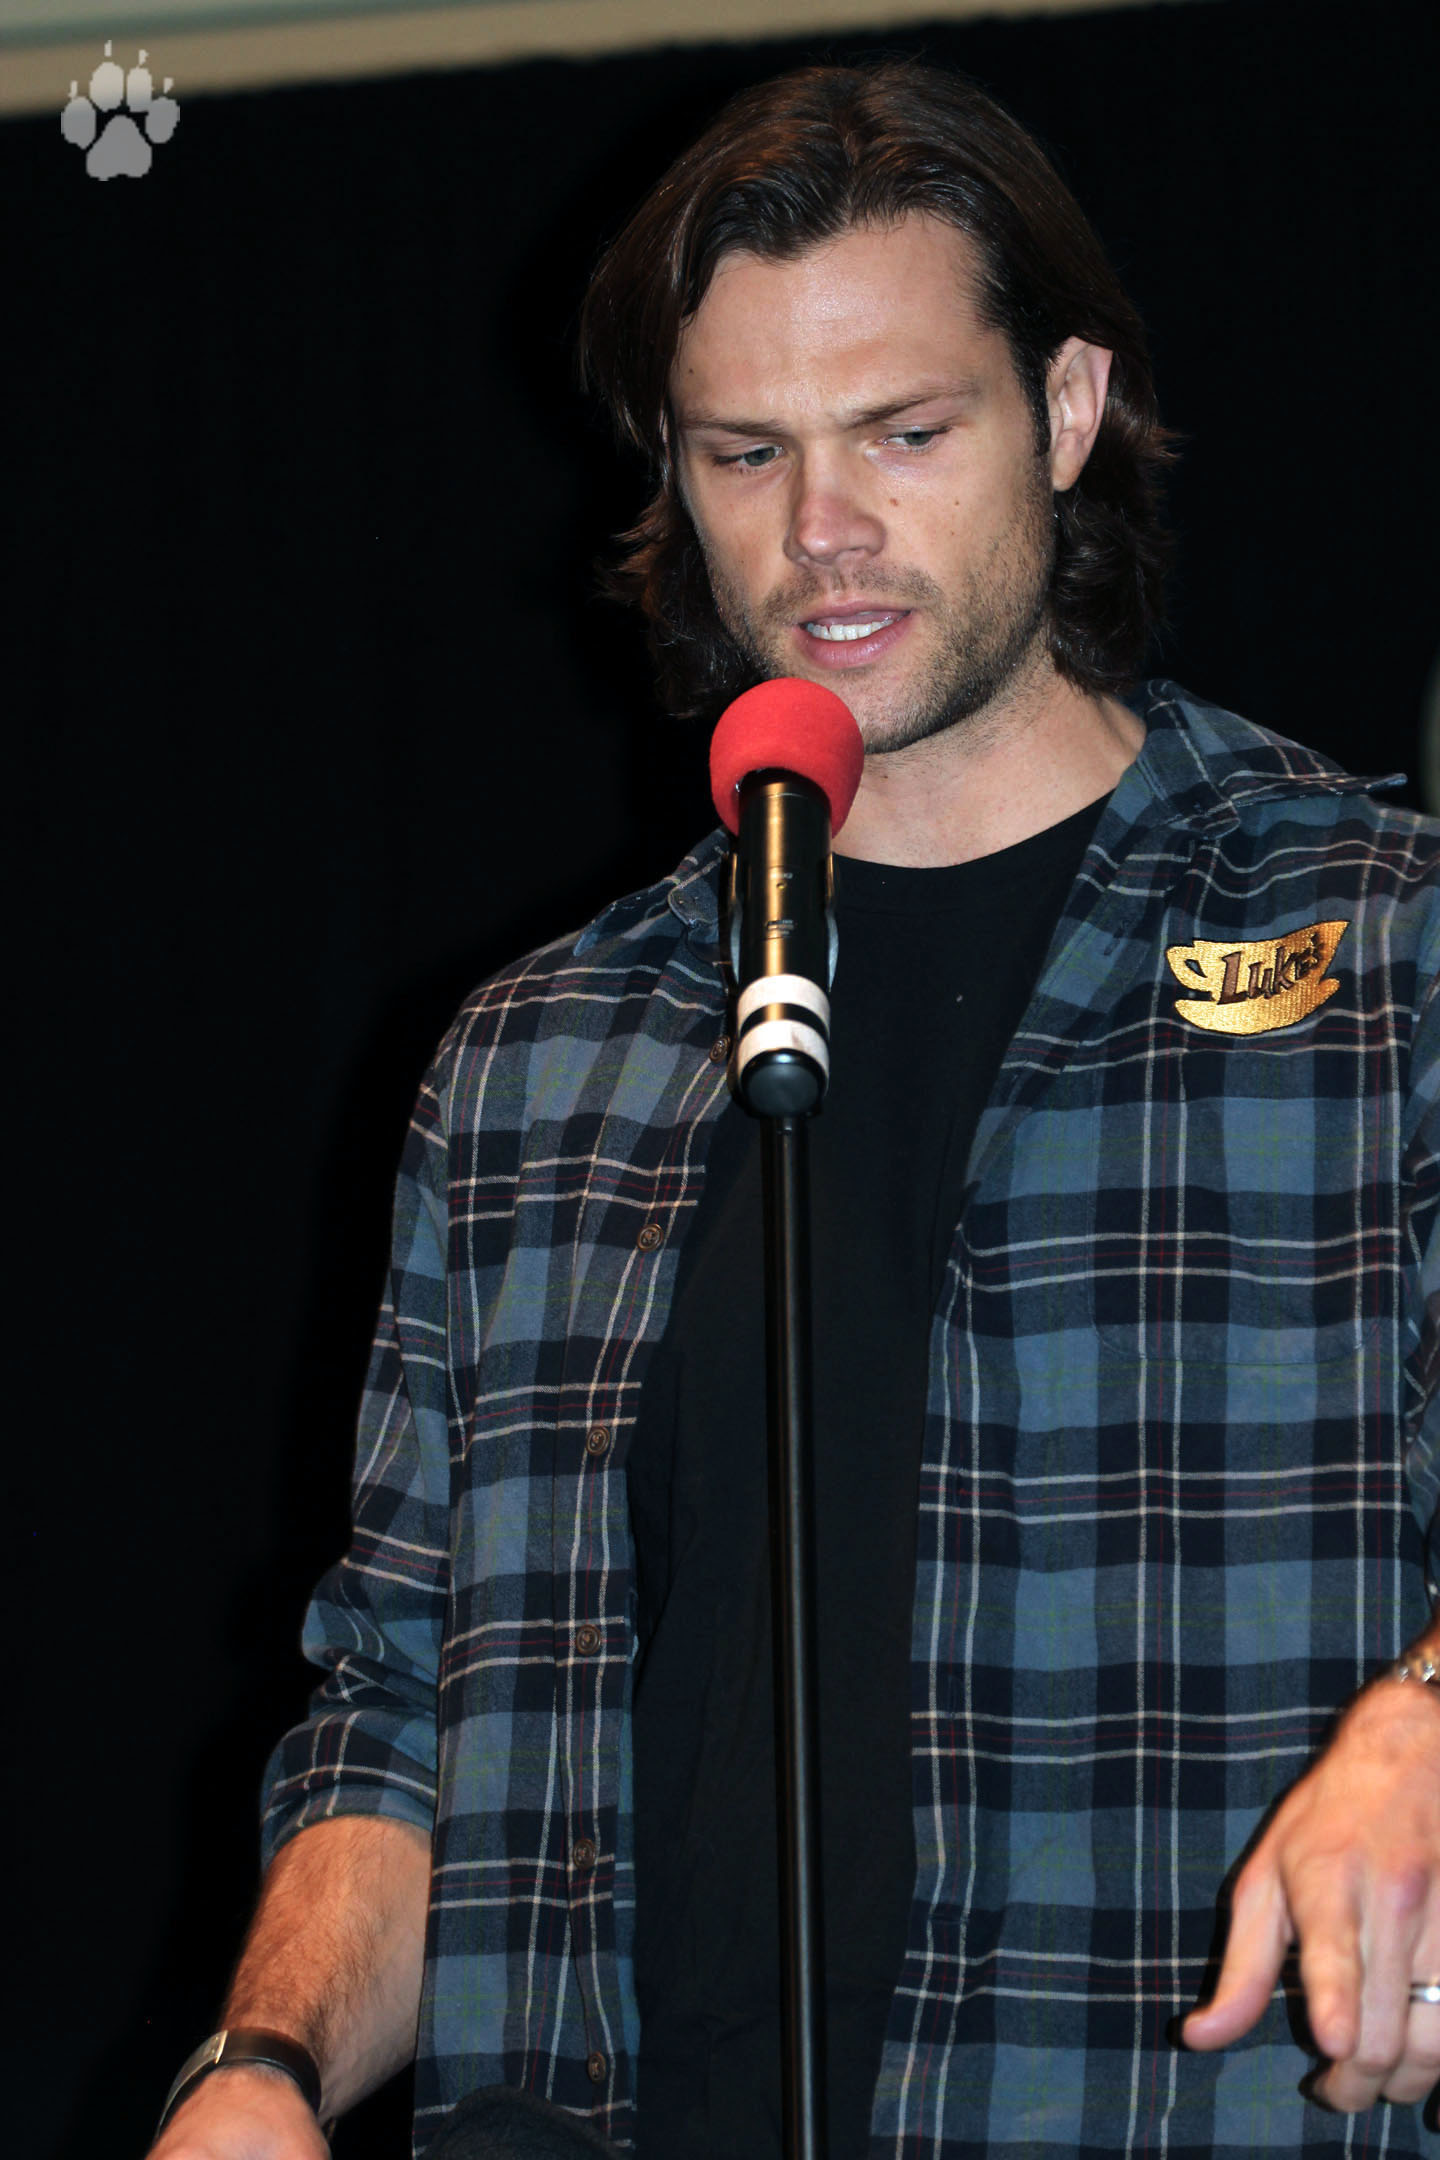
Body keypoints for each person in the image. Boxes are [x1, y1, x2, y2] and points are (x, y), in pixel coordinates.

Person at [150, 61, 1440, 2160]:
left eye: (904, 434)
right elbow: (399, 1708)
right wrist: (261, 2065)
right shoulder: (539, 1060)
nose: (821, 530)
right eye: (747, 454)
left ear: (1070, 410)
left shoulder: (1384, 950)